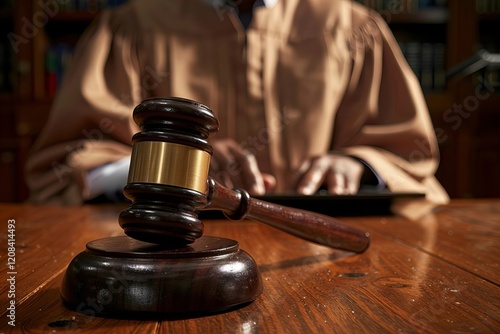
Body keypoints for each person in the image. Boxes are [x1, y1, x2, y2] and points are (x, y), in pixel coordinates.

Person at [25, 0, 449, 206]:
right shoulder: (132, 25)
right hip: (170, 264)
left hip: (327, 260)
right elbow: (64, 168)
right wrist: (176, 166)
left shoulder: (354, 28)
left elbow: (410, 159)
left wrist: (359, 163)